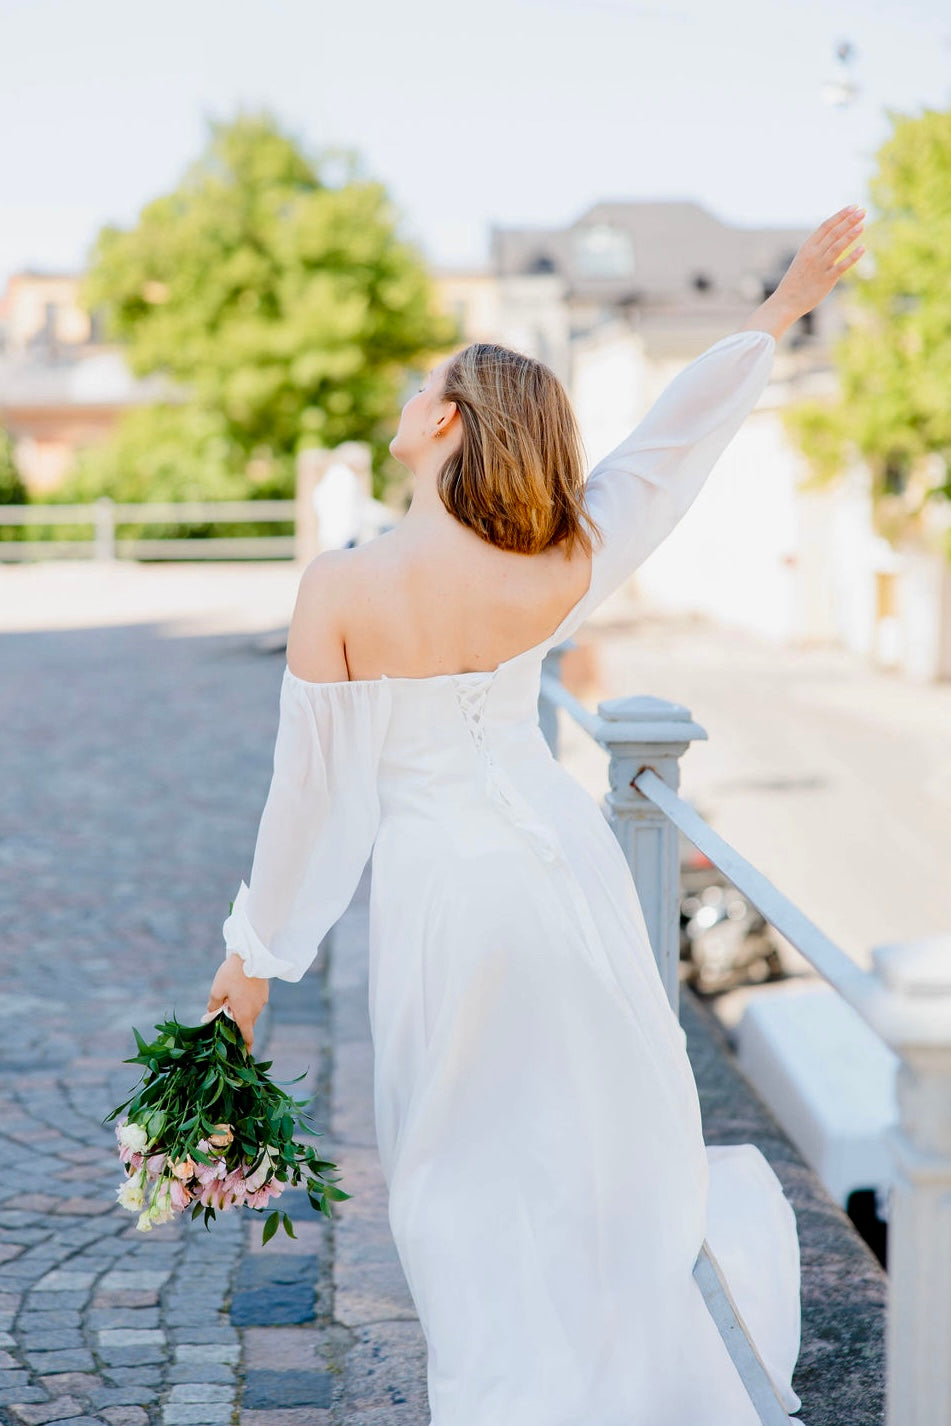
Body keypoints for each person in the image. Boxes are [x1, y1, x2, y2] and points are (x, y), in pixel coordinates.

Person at [206, 204, 866, 1424]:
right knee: (596, 1145)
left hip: (446, 898)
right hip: (567, 872)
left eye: (424, 388)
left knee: (456, 1166)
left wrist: (255, 962)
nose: (409, 399)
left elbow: (312, 802)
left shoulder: (344, 587)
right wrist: (776, 313)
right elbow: (666, 454)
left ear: (446, 423)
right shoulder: (563, 560)